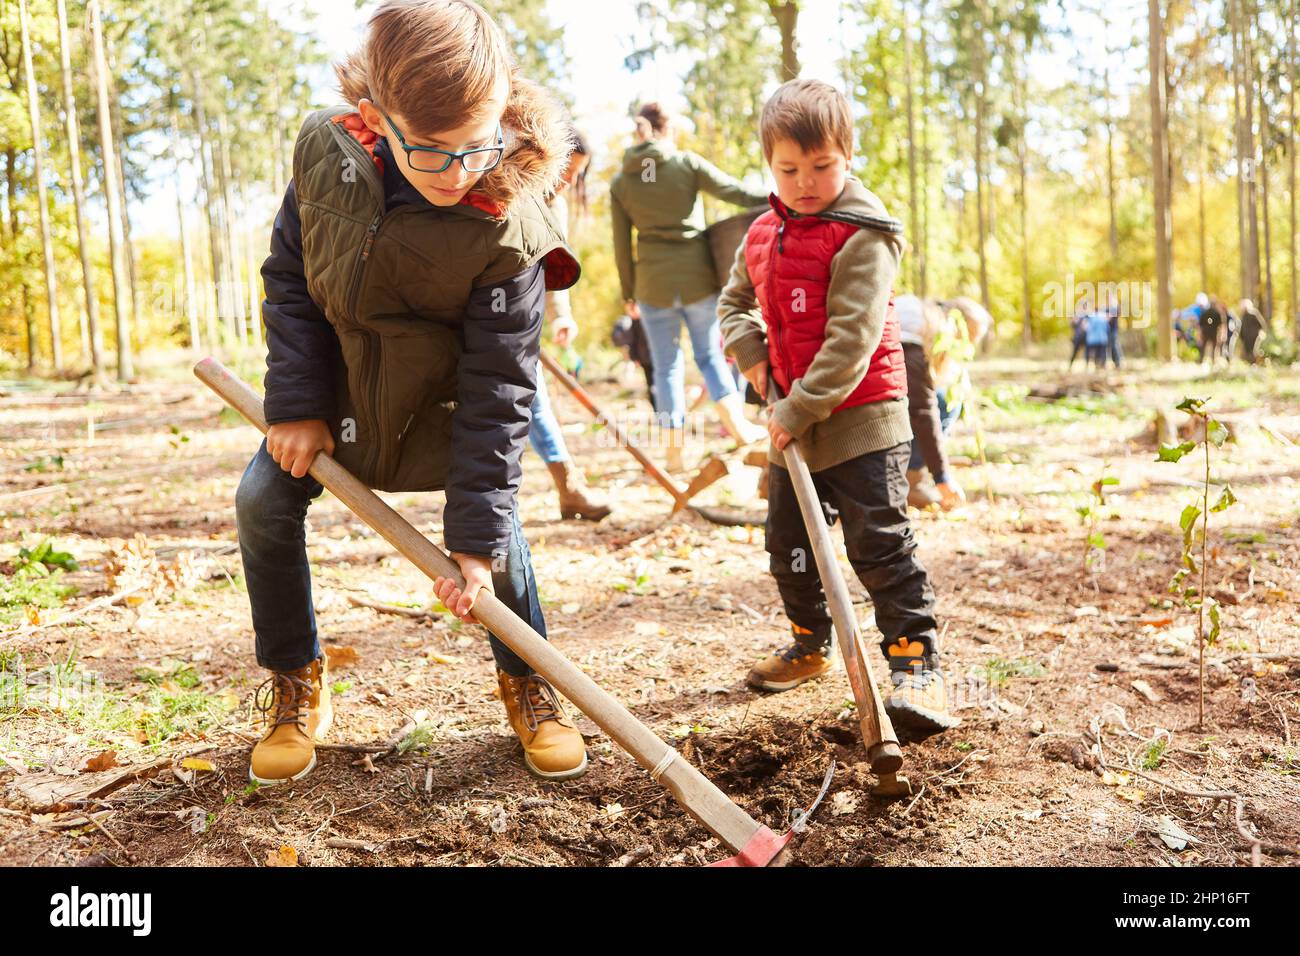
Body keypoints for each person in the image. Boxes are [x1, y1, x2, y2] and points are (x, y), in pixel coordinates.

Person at [237, 0, 588, 786]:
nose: (460, 172)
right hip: (335, 401)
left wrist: (472, 542)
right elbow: (290, 282)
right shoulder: (325, 159)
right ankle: (294, 680)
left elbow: (499, 386)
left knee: (500, 540)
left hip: (445, 406)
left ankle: (530, 678)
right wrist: (295, 405)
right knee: (261, 502)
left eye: (478, 145)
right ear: (375, 119)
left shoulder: (509, 225)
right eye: (432, 153)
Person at [719, 78, 958, 739]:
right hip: (791, 419)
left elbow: (851, 342)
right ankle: (809, 644)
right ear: (769, 165)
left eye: (821, 166)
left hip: (861, 417)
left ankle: (915, 665)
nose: (804, 182)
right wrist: (752, 355)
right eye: (788, 169)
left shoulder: (865, 233)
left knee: (877, 544)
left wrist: (795, 409)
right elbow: (733, 304)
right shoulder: (763, 232)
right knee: (789, 545)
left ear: (847, 156)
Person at [610, 103, 769, 472]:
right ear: (666, 129)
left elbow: (622, 244)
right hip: (696, 277)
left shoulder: (622, 182)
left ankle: (674, 450)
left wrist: (628, 291)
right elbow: (736, 192)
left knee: (666, 367)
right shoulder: (686, 164)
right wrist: (778, 197)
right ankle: (738, 427)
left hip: (651, 284)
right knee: (710, 357)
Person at [528, 127, 611, 521]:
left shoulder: (556, 207)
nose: (568, 181)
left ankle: (568, 486)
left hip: (523, 319)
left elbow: (555, 269)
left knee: (531, 396)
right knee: (528, 397)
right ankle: (568, 486)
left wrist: (562, 317)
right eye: (566, 169)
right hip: (491, 315)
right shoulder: (512, 190)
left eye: (578, 174)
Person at [898, 294, 963, 511]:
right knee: (941, 402)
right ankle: (909, 478)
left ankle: (909, 477)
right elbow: (923, 413)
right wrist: (942, 477)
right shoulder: (911, 355)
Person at [1237, 298, 1265, 363]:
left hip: (1254, 337)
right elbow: (1242, 327)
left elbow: (1261, 324)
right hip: (1246, 338)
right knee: (1248, 352)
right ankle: (1251, 364)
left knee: (1254, 351)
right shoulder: (1243, 316)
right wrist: (1241, 337)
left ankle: (1255, 363)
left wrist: (1259, 333)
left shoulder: (1254, 314)